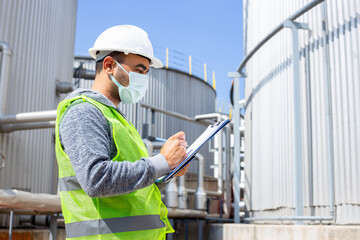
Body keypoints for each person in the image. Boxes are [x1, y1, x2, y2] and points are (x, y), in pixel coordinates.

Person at [55, 25, 189, 239]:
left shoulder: (117, 119)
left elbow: (133, 188)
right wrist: (162, 161)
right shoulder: (83, 111)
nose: (144, 78)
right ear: (109, 65)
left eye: (146, 71)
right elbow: (96, 179)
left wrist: (167, 171)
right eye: (139, 69)